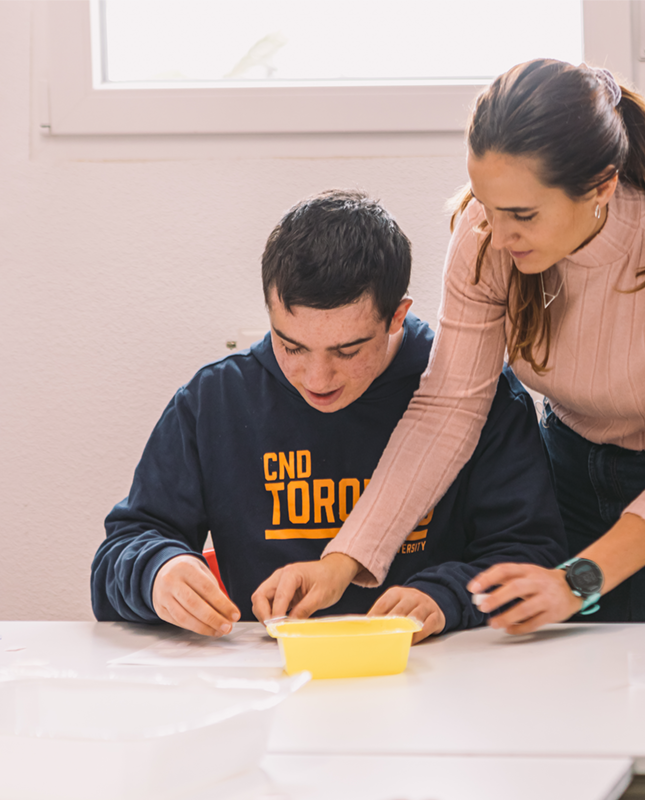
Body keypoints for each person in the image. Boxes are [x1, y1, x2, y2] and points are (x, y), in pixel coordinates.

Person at [253, 59, 645, 630]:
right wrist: (341, 560)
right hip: (573, 469)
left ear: (601, 184)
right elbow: (448, 407)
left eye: (522, 214)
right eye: (486, 202)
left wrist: (575, 582)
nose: (497, 236)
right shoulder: (485, 234)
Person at [92, 190, 567, 642]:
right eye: (291, 345)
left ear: (397, 316)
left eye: (348, 349)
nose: (317, 378)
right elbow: (121, 551)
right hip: (267, 679)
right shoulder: (214, 401)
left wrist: (445, 597)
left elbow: (533, 555)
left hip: (431, 677)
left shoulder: (476, 391)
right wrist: (157, 572)